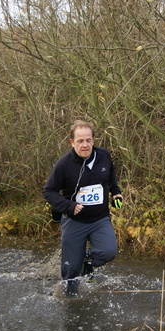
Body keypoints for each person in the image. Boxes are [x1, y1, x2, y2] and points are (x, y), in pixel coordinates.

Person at [43, 120, 123, 296]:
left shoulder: (104, 156)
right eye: (80, 141)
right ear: (72, 142)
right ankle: (69, 310)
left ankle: (87, 263)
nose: (85, 145)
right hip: (74, 221)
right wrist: (68, 206)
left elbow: (111, 177)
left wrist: (116, 192)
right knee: (70, 277)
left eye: (88, 140)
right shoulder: (63, 164)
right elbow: (48, 191)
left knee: (108, 252)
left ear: (93, 140)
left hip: (99, 220)